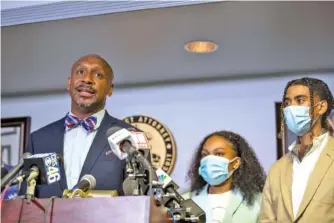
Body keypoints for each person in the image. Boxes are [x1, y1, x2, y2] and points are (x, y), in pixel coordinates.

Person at [20, 54, 138, 198]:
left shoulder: (129, 136)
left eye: (98, 75)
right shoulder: (38, 140)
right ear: (69, 83)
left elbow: (141, 201)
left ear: (110, 89)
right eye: (80, 72)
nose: (87, 79)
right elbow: (24, 204)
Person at [259, 77, 334, 222]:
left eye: (300, 100)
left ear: (321, 107)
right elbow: (266, 219)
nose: (291, 108)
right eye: (287, 103)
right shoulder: (277, 169)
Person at [183, 131, 266, 223]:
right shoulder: (185, 201)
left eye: (219, 154)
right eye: (205, 155)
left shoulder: (258, 202)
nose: (209, 160)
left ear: (236, 163)